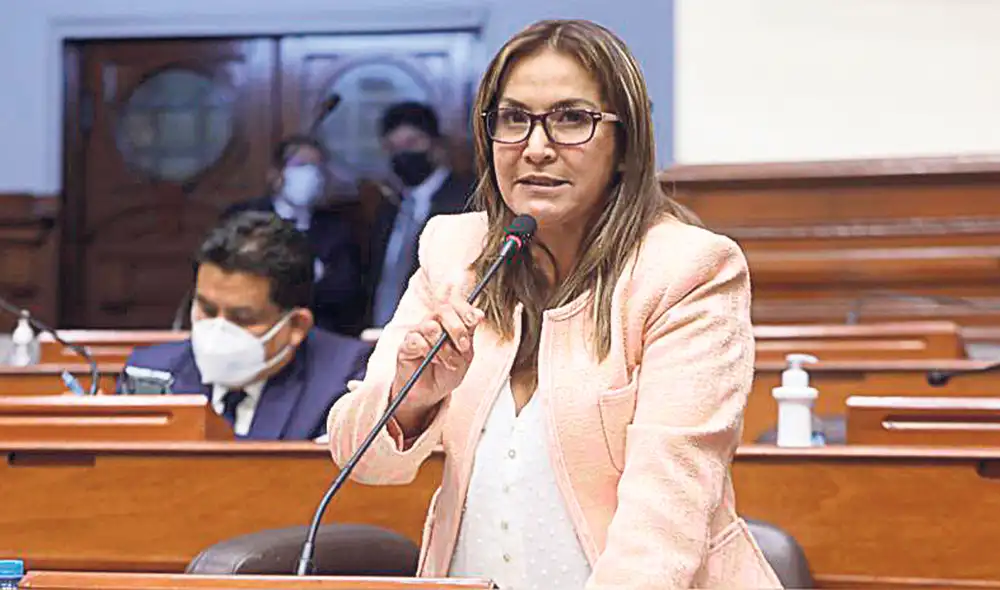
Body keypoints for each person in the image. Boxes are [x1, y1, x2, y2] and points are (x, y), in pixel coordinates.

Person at [328, 19, 781, 590]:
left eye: (572, 119)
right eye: (514, 119)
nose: (537, 148)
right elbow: (360, 460)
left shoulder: (686, 270)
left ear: (624, 145)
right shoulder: (456, 251)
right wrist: (410, 399)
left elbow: (664, 513)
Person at [119, 212, 371, 441]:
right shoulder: (150, 376)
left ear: (296, 326)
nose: (218, 331)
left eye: (241, 318)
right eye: (207, 310)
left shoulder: (344, 383)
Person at [224, 135, 365, 336]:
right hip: (251, 332)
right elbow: (233, 281)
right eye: (300, 165)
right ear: (276, 174)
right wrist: (311, 278)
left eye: (317, 167)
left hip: (319, 334)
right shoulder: (244, 220)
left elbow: (344, 293)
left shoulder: (336, 229)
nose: (310, 175)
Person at [366, 102, 471, 328]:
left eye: (412, 143)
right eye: (393, 147)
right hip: (379, 337)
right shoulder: (390, 206)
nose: (403, 154)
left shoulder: (466, 201)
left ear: (435, 145)